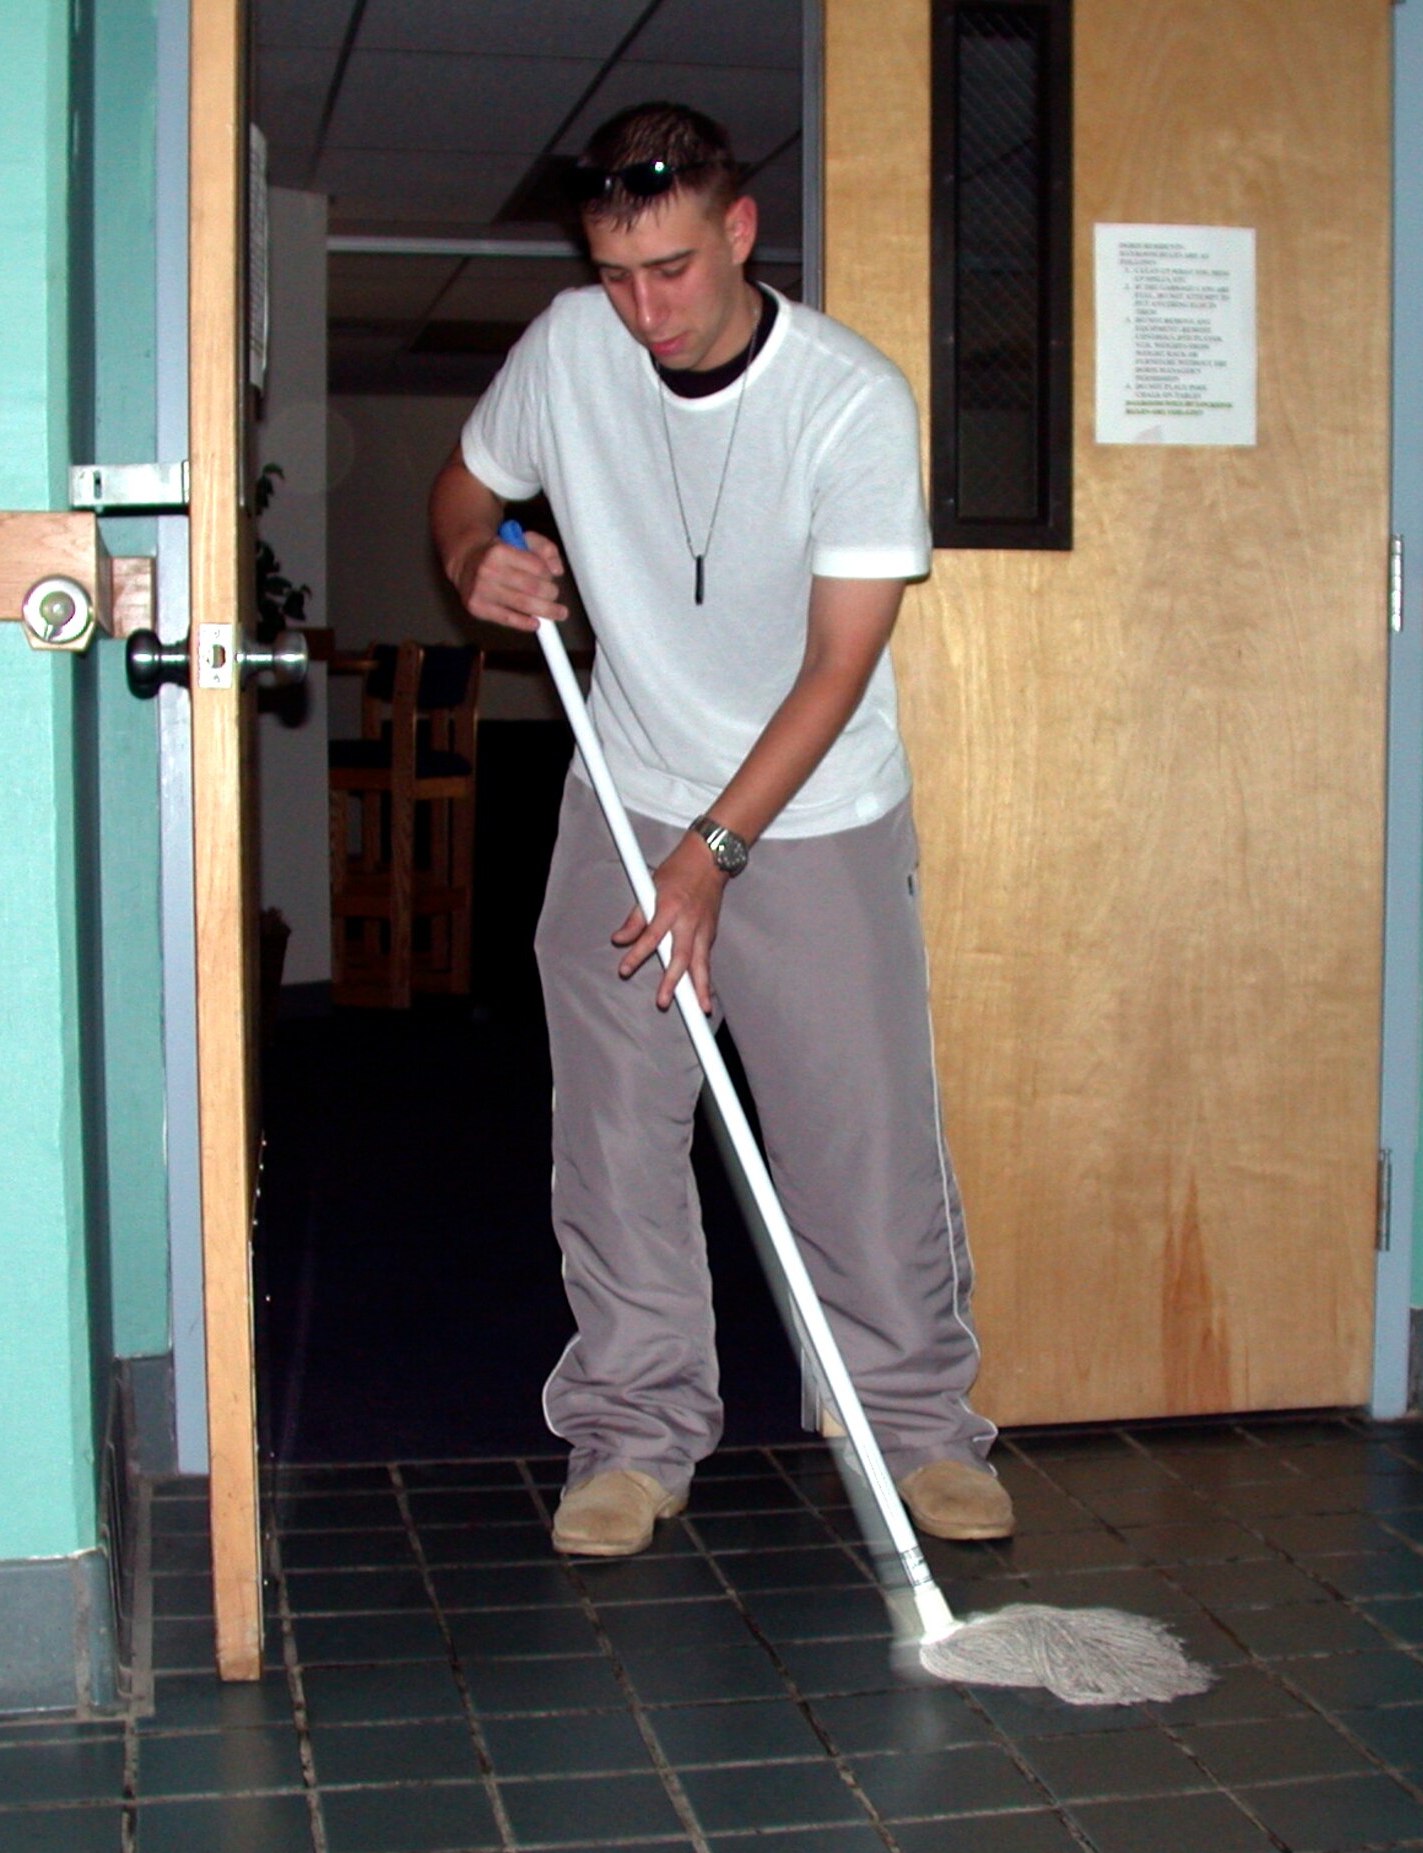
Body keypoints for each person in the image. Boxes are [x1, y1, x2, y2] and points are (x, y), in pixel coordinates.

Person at [429, 101, 1010, 1557]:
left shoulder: (847, 400)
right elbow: (468, 484)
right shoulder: (572, 348)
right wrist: (467, 558)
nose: (644, 312)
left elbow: (836, 670)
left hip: (811, 814)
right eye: (618, 275)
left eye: (672, 271)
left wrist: (716, 850)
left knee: (855, 1138)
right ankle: (633, 1435)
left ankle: (915, 1425)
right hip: (623, 793)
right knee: (617, 1137)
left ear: (739, 231)